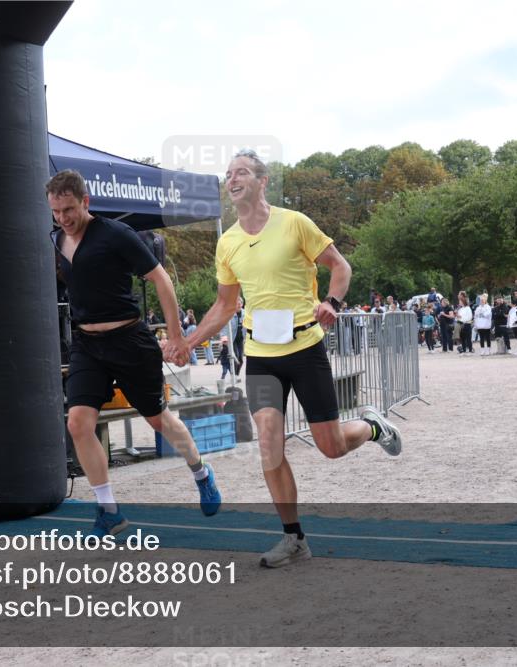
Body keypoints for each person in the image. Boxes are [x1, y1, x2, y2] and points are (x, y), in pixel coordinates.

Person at [168, 149, 402, 569]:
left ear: (262, 181)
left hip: (304, 348)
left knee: (329, 447)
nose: (232, 178)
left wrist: (331, 301)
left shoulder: (294, 222)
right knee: (269, 444)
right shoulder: (228, 242)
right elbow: (225, 306)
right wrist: (189, 340)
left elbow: (340, 266)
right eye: (228, 173)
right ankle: (293, 538)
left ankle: (371, 426)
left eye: (241, 172)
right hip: (260, 356)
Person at [46, 169, 221, 537]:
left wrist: (175, 337)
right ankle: (108, 510)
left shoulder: (115, 234)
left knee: (159, 420)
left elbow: (161, 279)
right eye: (56, 212)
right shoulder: (56, 240)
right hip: (86, 344)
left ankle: (201, 472)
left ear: (85, 202)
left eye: (69, 209)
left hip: (129, 340)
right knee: (77, 423)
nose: (63, 218)